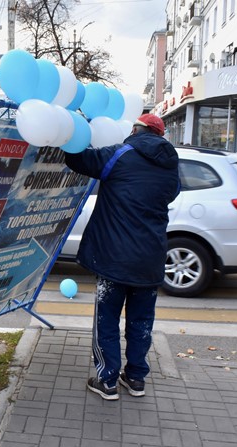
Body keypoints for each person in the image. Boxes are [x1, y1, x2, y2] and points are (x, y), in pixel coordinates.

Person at [64, 113, 180, 400]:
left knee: (107, 320)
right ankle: (136, 378)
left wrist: (72, 133)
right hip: (151, 258)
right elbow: (172, 193)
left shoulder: (120, 154)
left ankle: (107, 380)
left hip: (114, 259)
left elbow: (77, 160)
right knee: (141, 322)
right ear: (160, 135)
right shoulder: (171, 163)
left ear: (136, 129)